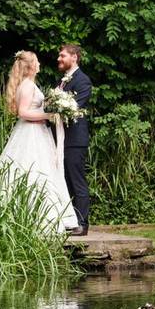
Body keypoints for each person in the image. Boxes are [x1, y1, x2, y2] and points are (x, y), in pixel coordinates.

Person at [0, 50, 79, 235]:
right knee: (35, 171)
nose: (40, 64)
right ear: (31, 66)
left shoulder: (27, 84)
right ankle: (38, 218)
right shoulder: (28, 86)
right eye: (37, 61)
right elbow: (23, 113)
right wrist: (49, 115)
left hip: (36, 131)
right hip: (31, 133)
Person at [53, 44, 92, 236]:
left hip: (75, 140)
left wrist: (56, 106)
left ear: (74, 57)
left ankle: (82, 224)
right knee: (66, 181)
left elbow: (74, 108)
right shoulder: (63, 80)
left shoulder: (83, 81)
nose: (59, 59)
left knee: (77, 182)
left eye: (62, 56)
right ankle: (70, 221)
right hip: (62, 139)